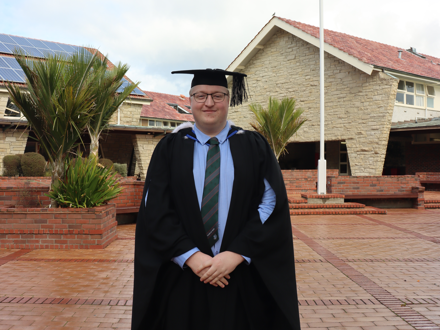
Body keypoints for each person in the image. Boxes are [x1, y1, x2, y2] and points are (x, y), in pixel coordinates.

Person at [131, 69, 300, 330]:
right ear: (190, 100)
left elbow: (271, 203)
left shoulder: (253, 146)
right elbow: (155, 208)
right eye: (200, 95)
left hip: (238, 276)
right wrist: (191, 256)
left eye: (217, 95)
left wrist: (237, 253)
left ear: (229, 99)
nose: (209, 102)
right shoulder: (170, 147)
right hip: (184, 276)